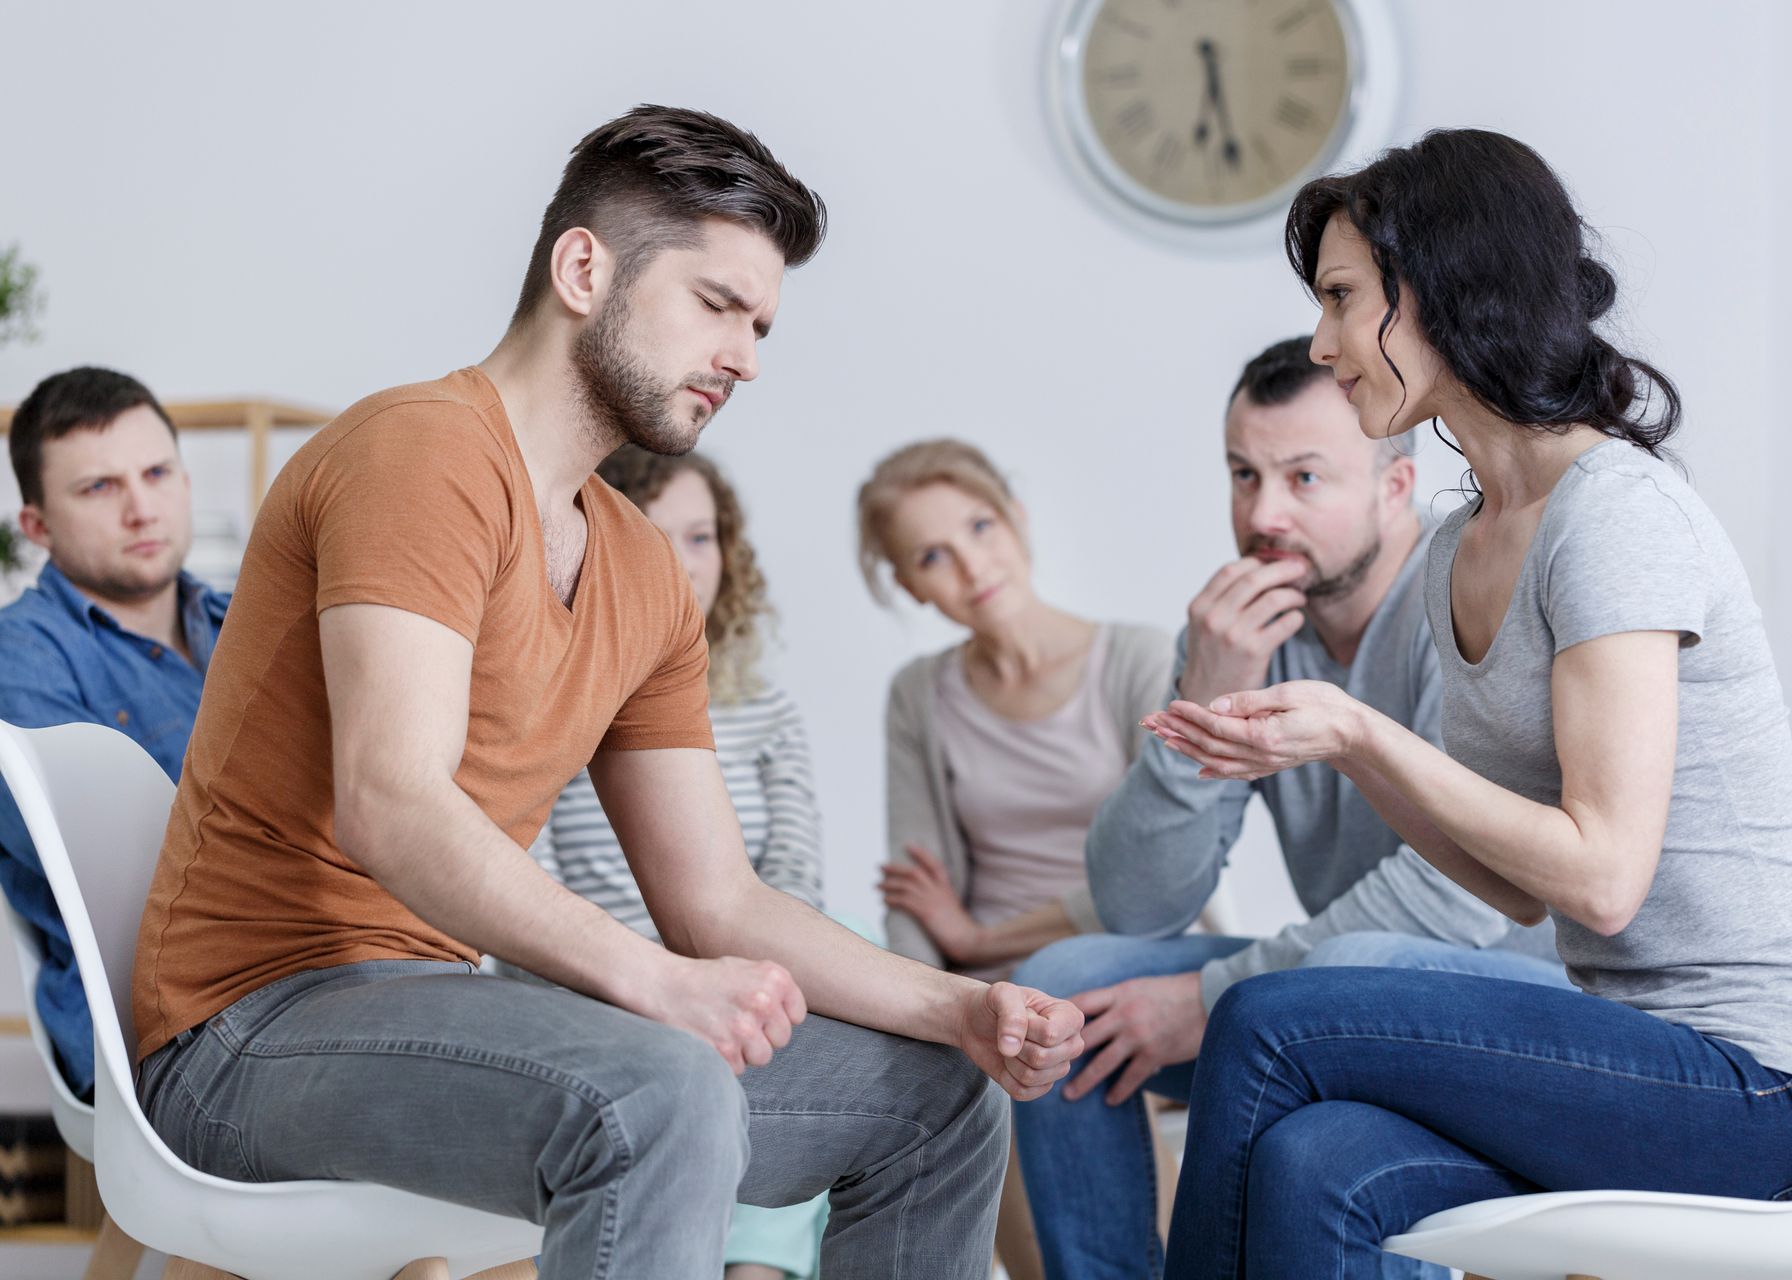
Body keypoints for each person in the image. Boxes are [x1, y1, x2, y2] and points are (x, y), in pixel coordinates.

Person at [129, 105, 1083, 1280]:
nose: (746, 354)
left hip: (435, 1019)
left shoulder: (641, 567)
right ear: (584, 268)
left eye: (762, 324)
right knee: (660, 1086)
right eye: (716, 304)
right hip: (246, 1034)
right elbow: (392, 802)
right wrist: (658, 986)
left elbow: (718, 900)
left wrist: (955, 1007)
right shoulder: (420, 452)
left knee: (936, 1094)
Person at [1146, 128, 1792, 1279]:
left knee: (1265, 1016)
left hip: (1765, 1088)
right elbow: (1501, 876)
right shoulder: (1460, 547)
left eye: (1342, 299)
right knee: (1312, 1163)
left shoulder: (1616, 517)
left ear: (1441, 291)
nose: (1323, 342)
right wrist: (1342, 753)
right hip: (1632, 1051)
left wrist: (1355, 728)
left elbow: (1599, 874)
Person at [1011, 337, 1564, 1279]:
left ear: (1395, 486)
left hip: (1526, 1010)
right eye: (1243, 474)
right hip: (1336, 991)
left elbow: (1462, 902)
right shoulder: (1242, 631)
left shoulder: (1471, 595)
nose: (1262, 514)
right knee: (1065, 989)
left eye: (1305, 477)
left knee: (1349, 988)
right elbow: (1139, 903)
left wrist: (1207, 1002)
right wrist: (1206, 700)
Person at [857, 437, 1173, 1280]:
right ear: (909, 585)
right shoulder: (920, 697)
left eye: (980, 527)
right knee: (959, 1080)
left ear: (1019, 522)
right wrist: (924, 1013)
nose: (970, 565)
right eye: (932, 555)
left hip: (1121, 967)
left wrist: (972, 936)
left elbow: (1156, 890)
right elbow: (911, 899)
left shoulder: (1138, 661)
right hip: (998, 997)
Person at [522, 445, 831, 1280]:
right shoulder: (563, 702)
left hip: (747, 944)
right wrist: (658, 976)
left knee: (832, 982)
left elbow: (797, 871)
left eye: (702, 537)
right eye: (659, 538)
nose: (686, 564)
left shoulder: (766, 708)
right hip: (613, 967)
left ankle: (755, 1268)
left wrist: (744, 963)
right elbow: (529, 878)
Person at [0, 366, 227, 1099]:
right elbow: (125, 881)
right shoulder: (19, 659)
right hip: (158, 1029)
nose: (141, 509)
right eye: (99, 487)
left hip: (303, 977)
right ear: (36, 526)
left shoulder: (255, 623)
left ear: (186, 482)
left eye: (157, 473)